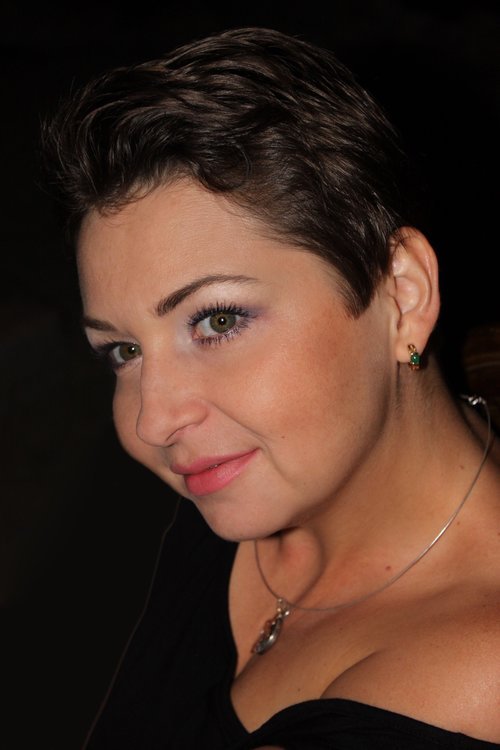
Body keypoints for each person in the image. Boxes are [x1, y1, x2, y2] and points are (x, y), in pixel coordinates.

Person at [40, 26, 500, 749]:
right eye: (123, 351)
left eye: (217, 320)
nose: (154, 420)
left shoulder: (473, 676)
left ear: (402, 296)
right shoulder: (248, 482)